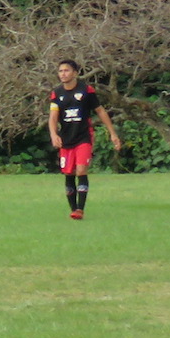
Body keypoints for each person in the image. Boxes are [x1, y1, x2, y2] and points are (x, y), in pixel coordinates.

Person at [48, 60, 123, 220]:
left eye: (66, 70)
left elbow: (100, 111)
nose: (63, 74)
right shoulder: (57, 93)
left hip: (83, 137)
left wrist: (112, 133)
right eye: (60, 71)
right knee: (69, 173)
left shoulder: (86, 90)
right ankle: (73, 208)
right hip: (66, 139)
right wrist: (54, 135)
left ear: (75, 73)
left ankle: (80, 210)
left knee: (81, 170)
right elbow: (53, 117)